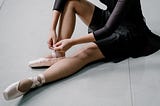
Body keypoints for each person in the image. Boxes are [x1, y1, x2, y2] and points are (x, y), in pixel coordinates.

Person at [3, 0, 160, 100]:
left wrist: (72, 42)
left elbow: (107, 29)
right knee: (72, 2)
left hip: (130, 34)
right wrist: (52, 29)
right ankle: (57, 55)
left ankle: (35, 81)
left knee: (85, 53)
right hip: (110, 18)